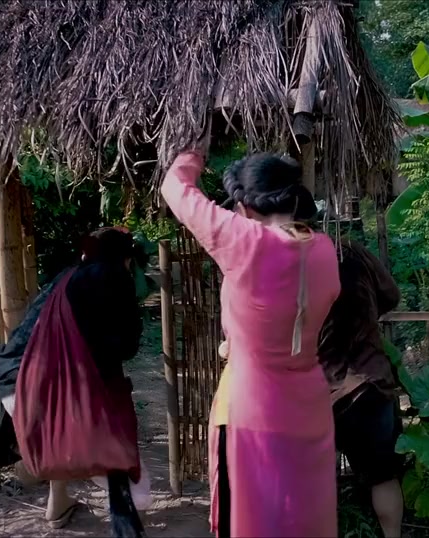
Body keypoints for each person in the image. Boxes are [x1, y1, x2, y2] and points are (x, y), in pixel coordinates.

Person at [161, 148, 341, 537]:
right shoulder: (324, 250)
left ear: (244, 207)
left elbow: (174, 187)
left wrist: (194, 150)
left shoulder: (246, 242)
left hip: (253, 407)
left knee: (252, 518)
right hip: (309, 406)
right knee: (304, 521)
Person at [0, 227, 150, 536]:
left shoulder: (64, 278)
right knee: (111, 438)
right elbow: (125, 347)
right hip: (46, 395)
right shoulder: (115, 277)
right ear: (126, 259)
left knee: (65, 431)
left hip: (15, 388)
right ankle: (128, 520)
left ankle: (58, 503)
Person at [318, 238, 405, 538]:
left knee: (314, 482)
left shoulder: (289, 259)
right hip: (370, 385)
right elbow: (391, 295)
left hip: (319, 393)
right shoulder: (351, 250)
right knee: (383, 477)